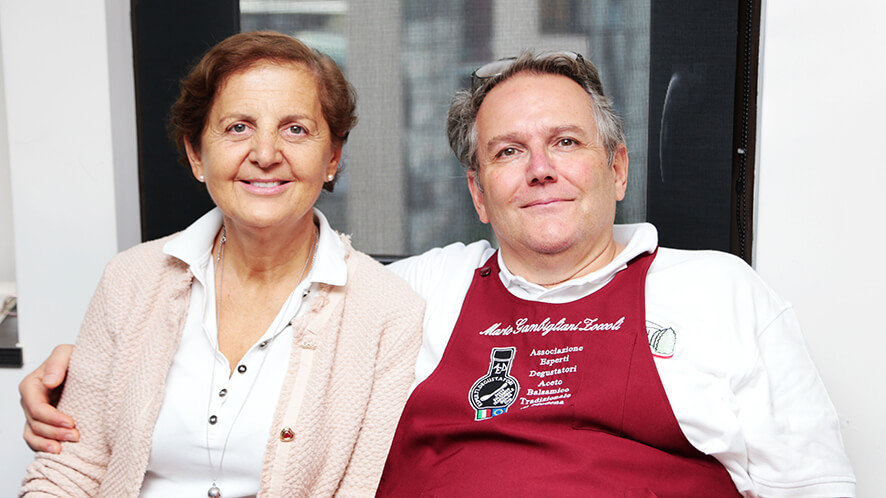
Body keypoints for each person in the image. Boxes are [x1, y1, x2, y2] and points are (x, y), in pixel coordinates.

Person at [21, 51, 855, 496]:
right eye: (508, 152)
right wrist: (91, 363)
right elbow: (267, 322)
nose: (539, 168)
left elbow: (815, 485)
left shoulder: (714, 294)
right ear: (478, 194)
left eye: (565, 143)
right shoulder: (413, 294)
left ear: (617, 167)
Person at [19, 31, 424, 497]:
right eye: (238, 128)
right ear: (196, 154)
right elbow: (69, 472)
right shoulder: (130, 279)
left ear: (332, 156)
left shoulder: (388, 312)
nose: (265, 154)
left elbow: (363, 488)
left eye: (295, 129)